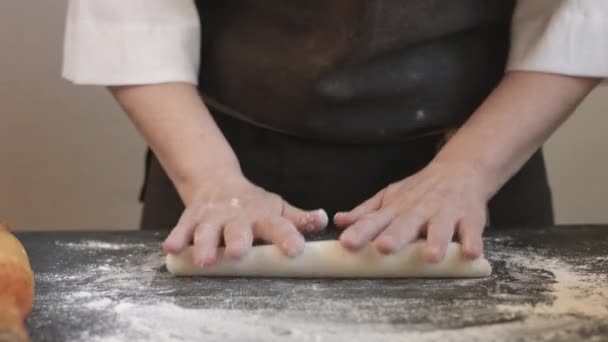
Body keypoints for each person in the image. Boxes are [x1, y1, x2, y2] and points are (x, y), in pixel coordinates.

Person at [62, 0, 606, 267]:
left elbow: (583, 15)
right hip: (218, 169)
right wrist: (210, 178)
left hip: (479, 163)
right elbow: (131, 13)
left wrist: (470, 168)